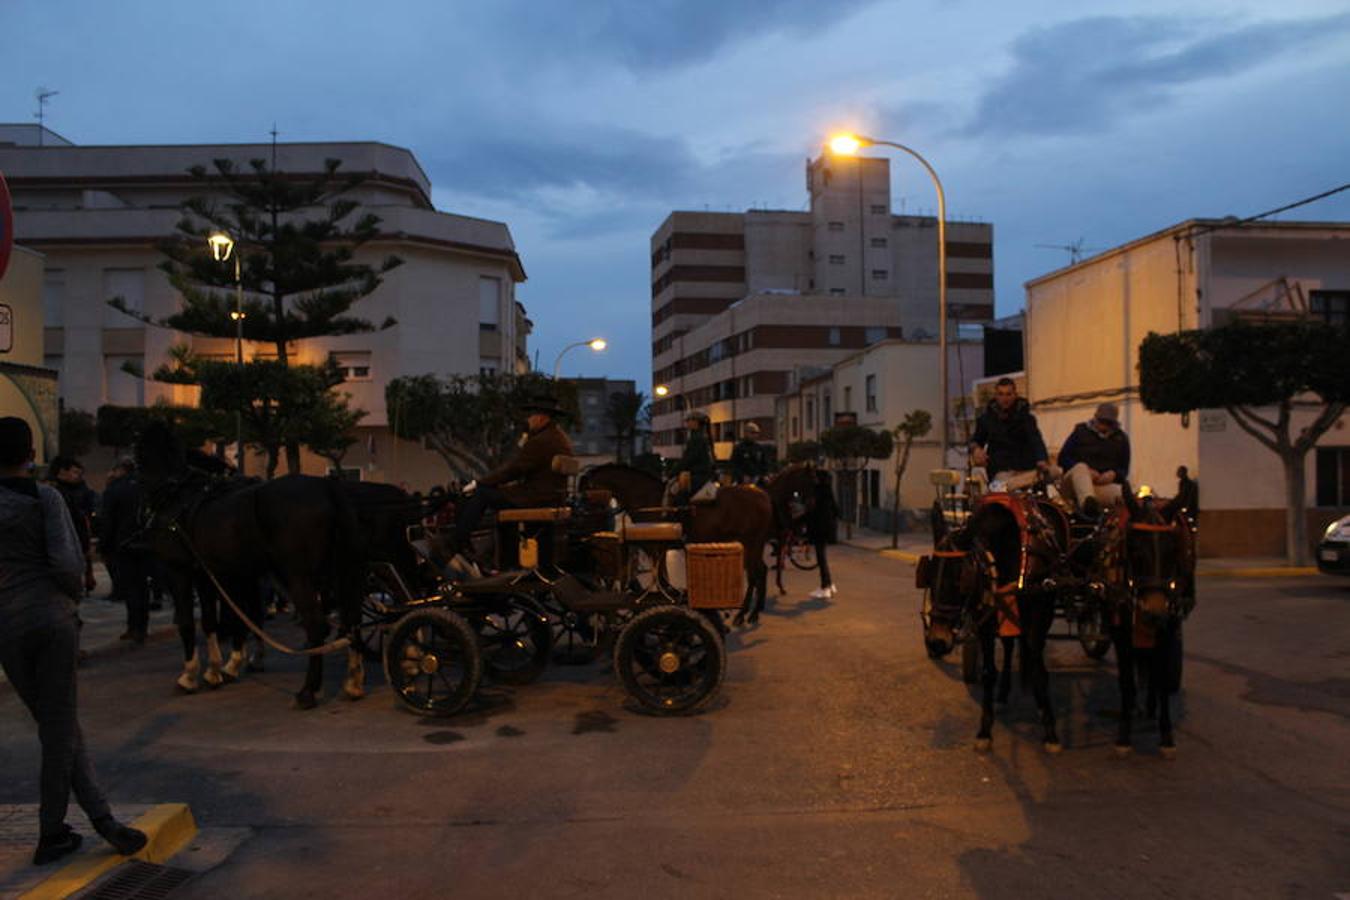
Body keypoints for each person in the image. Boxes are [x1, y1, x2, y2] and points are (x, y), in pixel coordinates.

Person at [0, 417, 147, 866]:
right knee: (59, 727)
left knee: (56, 723)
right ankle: (52, 831)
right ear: (30, 453)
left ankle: (103, 822)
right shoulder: (44, 498)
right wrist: (70, 597)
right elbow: (66, 562)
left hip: (5, 626)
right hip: (49, 618)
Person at [451, 394, 574, 561]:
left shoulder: (541, 440)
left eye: (530, 415)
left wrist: (479, 482)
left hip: (537, 496)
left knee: (482, 494)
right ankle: (508, 557)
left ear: (541, 418)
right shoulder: (559, 437)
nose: (528, 420)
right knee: (498, 496)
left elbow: (514, 469)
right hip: (552, 496)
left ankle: (459, 542)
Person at [99, 458, 150, 644]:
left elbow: (108, 521)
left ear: (120, 469)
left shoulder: (114, 489)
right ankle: (142, 627)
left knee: (131, 587)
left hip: (123, 543)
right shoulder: (145, 486)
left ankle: (134, 627)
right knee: (142, 586)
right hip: (145, 542)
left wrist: (104, 546)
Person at [970, 377, 1050, 490]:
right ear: (996, 396)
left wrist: (1042, 459)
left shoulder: (1027, 418)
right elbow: (975, 440)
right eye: (1001, 394)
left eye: (1008, 394)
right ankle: (1014, 483)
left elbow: (1036, 440)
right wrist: (976, 449)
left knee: (1054, 472)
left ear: (1015, 395)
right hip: (1001, 471)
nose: (1004, 398)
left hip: (1026, 468)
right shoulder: (986, 419)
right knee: (1003, 485)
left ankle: (1011, 484)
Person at [1057, 402, 1130, 518]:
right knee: (1081, 468)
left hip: (1101, 485)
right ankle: (1088, 505)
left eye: (1108, 423)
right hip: (1074, 483)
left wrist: (1114, 475)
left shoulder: (1121, 439)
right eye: (1102, 422)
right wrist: (1087, 472)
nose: (1104, 426)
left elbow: (1124, 469)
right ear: (1095, 417)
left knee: (1124, 496)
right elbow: (1062, 458)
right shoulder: (1080, 431)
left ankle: (1114, 528)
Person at [46, 456, 97, 595]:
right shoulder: (52, 491)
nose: (77, 476)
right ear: (62, 471)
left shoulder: (80, 488)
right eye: (74, 472)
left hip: (79, 534)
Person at [666, 410, 715, 504]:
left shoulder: (697, 439)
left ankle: (683, 515)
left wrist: (672, 473)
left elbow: (688, 460)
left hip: (698, 476)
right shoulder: (703, 437)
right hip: (705, 475)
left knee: (677, 493)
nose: (686, 423)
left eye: (688, 420)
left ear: (695, 422)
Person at [806, 469, 839, 601]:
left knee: (821, 559)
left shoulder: (818, 492)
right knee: (822, 558)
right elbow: (836, 511)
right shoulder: (828, 491)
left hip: (820, 530)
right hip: (827, 529)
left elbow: (813, 513)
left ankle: (825, 586)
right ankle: (828, 584)